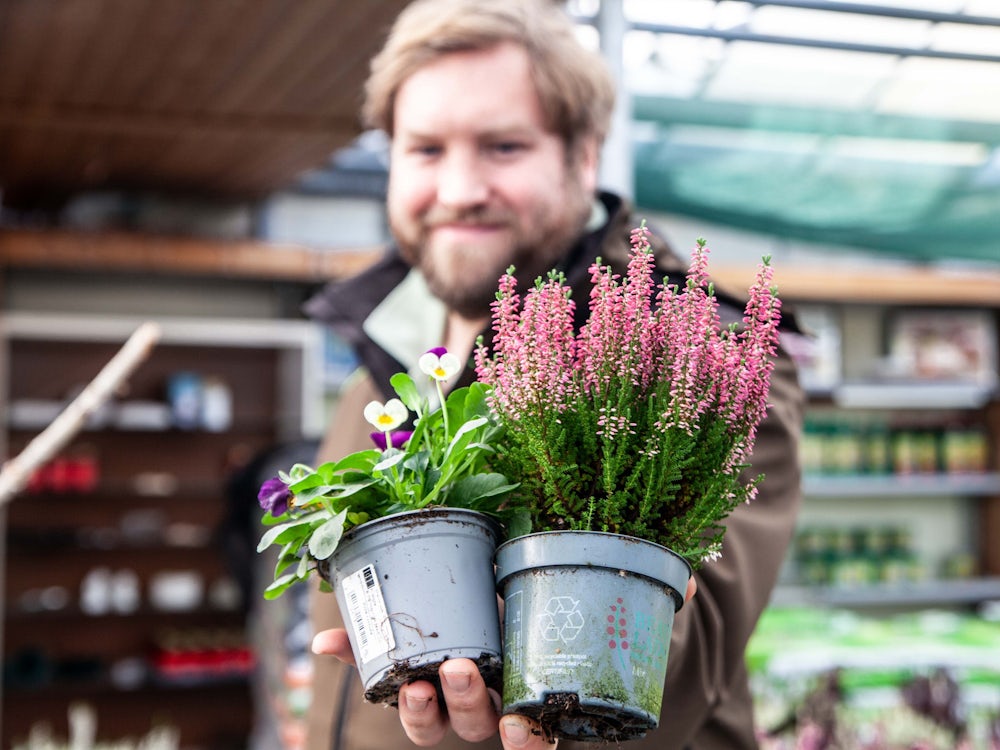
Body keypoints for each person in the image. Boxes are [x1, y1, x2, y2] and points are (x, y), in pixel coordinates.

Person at [301, 1, 805, 748]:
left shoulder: (703, 360)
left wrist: (529, 654)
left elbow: (678, 657)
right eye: (426, 150)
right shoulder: (377, 365)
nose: (460, 188)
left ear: (583, 154)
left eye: (503, 147)